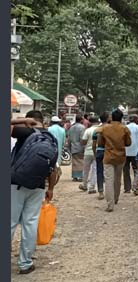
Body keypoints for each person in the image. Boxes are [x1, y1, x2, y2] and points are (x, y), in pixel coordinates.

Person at [10, 110, 58, 274]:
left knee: (10, 222)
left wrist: (22, 120)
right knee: (30, 223)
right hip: (38, 186)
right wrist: (50, 188)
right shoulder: (51, 138)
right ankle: (25, 263)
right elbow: (53, 169)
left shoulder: (25, 131)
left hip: (15, 184)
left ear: (29, 120)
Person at [97, 109, 131, 212]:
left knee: (108, 180)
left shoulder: (104, 128)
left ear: (112, 117)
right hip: (120, 157)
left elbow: (100, 143)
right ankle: (116, 198)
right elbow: (128, 143)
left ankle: (110, 204)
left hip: (108, 157)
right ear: (121, 118)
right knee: (117, 179)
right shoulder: (125, 129)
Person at [124, 115, 138, 196]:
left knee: (126, 170)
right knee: (137, 170)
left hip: (125, 152)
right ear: (136, 120)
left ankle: (127, 188)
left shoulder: (124, 128)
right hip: (136, 153)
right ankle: (135, 187)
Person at [80, 116, 101, 193]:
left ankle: (84, 184)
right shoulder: (100, 130)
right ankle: (92, 187)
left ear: (90, 122)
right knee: (95, 170)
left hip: (88, 152)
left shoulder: (88, 130)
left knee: (86, 169)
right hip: (97, 152)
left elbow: (83, 141)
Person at [93, 112, 110, 201]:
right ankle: (109, 192)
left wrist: (95, 153)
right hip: (108, 152)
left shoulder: (97, 130)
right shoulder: (111, 130)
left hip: (99, 151)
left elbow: (94, 144)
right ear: (107, 119)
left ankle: (100, 192)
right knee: (109, 173)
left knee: (99, 172)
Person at [68, 115, 86, 182]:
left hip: (73, 146)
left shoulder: (71, 127)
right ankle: (80, 176)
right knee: (81, 162)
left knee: (74, 162)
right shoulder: (82, 127)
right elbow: (82, 138)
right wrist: (84, 147)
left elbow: (69, 138)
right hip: (80, 146)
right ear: (81, 120)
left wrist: (69, 147)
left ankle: (75, 176)